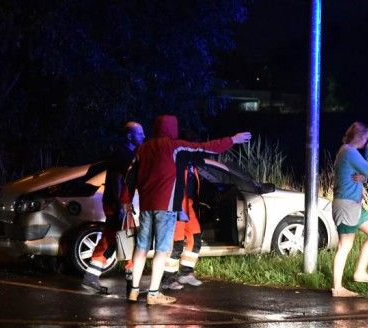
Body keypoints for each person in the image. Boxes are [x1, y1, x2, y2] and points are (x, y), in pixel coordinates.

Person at [122, 114, 251, 305]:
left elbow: (129, 176)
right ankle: (153, 294)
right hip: (166, 207)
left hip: (147, 206)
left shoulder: (142, 149)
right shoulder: (175, 146)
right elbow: (206, 147)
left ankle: (133, 291)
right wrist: (232, 139)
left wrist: (126, 201)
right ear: (172, 129)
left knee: (141, 248)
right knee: (161, 251)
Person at [81, 121, 145, 294]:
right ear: (130, 136)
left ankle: (92, 276)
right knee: (127, 239)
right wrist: (121, 205)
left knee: (113, 238)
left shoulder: (124, 153)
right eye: (140, 133)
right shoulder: (123, 154)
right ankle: (131, 284)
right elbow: (118, 181)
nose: (144, 136)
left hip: (118, 203)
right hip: (118, 203)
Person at [331, 121, 368, 298]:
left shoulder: (346, 152)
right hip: (346, 205)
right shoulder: (349, 152)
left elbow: (358, 175)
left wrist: (363, 179)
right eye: (366, 139)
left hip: (354, 205)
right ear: (361, 138)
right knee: (345, 245)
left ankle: (360, 273)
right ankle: (337, 288)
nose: (366, 141)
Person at [161, 161, 203, 290]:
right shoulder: (176, 161)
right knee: (176, 244)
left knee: (195, 238)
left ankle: (185, 273)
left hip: (188, 204)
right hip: (176, 205)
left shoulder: (192, 164)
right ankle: (167, 279)